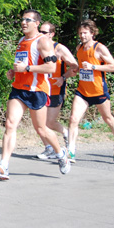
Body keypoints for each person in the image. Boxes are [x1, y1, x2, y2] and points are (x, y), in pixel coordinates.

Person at [0, 10, 70, 180]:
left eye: (28, 20)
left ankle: (60, 153)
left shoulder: (43, 42)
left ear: (36, 23)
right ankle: (3, 165)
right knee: (10, 124)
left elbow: (51, 69)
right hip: (19, 89)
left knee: (41, 129)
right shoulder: (21, 41)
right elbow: (24, 62)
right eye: (22, 20)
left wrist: (26, 69)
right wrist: (13, 71)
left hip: (37, 91)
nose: (23, 22)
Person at [67, 19, 114, 163]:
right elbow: (81, 67)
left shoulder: (99, 48)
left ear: (92, 33)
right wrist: (69, 74)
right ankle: (71, 151)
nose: (82, 36)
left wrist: (93, 67)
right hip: (83, 91)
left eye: (85, 33)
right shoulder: (79, 48)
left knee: (108, 119)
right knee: (73, 119)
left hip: (98, 91)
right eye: (80, 33)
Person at [35, 22, 78, 160]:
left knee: (49, 122)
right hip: (40, 88)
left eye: (44, 32)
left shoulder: (59, 49)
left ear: (52, 34)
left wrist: (63, 77)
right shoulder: (37, 46)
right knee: (39, 123)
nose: (41, 35)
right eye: (39, 31)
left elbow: (75, 67)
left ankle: (65, 132)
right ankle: (49, 148)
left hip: (55, 89)